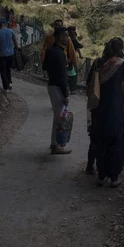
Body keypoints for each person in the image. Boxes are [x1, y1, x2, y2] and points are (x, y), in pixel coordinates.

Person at [87, 37, 124, 186]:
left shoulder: (98, 62)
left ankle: (101, 175)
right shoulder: (121, 64)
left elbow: (89, 81)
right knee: (116, 143)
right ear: (120, 50)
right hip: (115, 109)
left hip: (98, 109)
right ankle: (114, 178)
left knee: (101, 141)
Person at [42, 27, 71, 155]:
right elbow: (63, 76)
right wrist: (66, 94)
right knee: (59, 118)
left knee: (57, 116)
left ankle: (55, 143)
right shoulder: (60, 54)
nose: (67, 38)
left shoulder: (50, 50)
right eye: (66, 36)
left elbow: (44, 67)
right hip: (58, 88)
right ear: (60, 36)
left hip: (51, 85)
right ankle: (56, 145)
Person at [0, 21, 18, 92]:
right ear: (2, 25)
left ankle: (5, 87)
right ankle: (10, 83)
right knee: (8, 69)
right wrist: (17, 48)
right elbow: (15, 40)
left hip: (1, 54)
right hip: (10, 53)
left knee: (3, 71)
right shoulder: (10, 30)